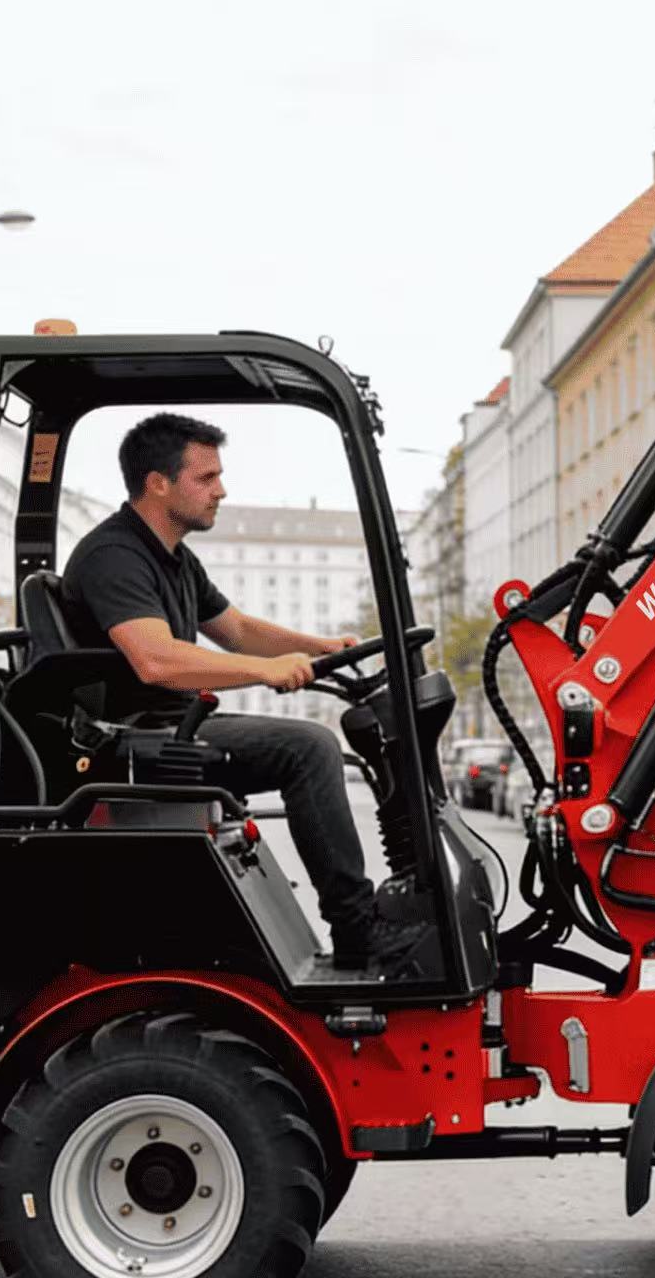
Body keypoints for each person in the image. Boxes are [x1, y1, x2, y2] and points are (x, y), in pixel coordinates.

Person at [61, 412, 423, 968]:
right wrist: (267, 670)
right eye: (206, 479)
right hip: (138, 742)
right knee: (309, 749)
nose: (221, 490)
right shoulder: (115, 556)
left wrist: (321, 646)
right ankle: (357, 931)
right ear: (158, 483)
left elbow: (237, 631)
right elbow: (155, 660)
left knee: (312, 746)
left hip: (171, 731)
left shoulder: (174, 557)